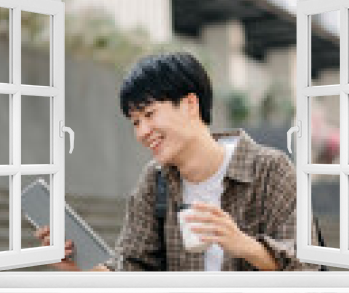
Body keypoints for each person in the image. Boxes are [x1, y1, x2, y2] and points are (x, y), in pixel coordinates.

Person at [36, 52, 320, 271]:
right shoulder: (155, 180)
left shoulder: (270, 170)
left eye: (149, 114)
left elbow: (306, 267)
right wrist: (82, 267)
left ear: (190, 105)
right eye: (135, 122)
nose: (142, 132)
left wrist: (242, 244)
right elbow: (132, 271)